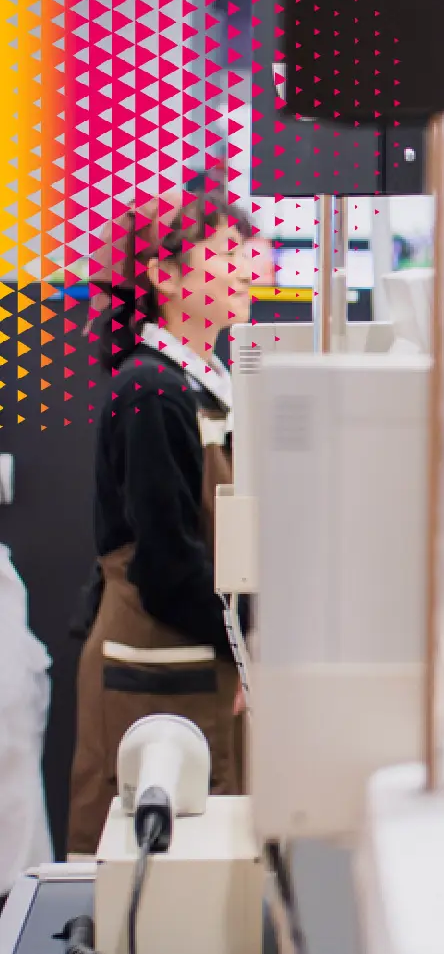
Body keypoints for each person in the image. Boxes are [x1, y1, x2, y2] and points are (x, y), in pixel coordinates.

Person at [67, 189, 262, 854]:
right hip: (155, 668)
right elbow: (167, 563)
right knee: (138, 874)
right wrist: (244, 649)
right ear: (165, 275)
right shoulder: (152, 392)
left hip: (191, 660)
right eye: (225, 252)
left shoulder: (201, 383)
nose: (247, 267)